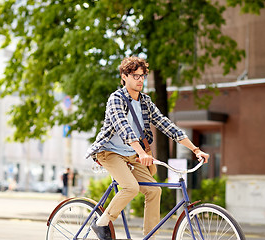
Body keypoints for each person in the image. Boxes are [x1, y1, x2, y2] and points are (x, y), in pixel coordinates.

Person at [85, 56, 209, 240]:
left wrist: (195, 149)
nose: (140, 80)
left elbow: (166, 125)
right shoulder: (116, 99)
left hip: (132, 155)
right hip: (109, 152)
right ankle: (101, 223)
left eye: (143, 76)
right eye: (135, 76)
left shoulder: (145, 101)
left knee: (154, 190)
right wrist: (142, 152)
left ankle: (149, 237)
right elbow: (123, 128)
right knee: (130, 188)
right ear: (124, 77)